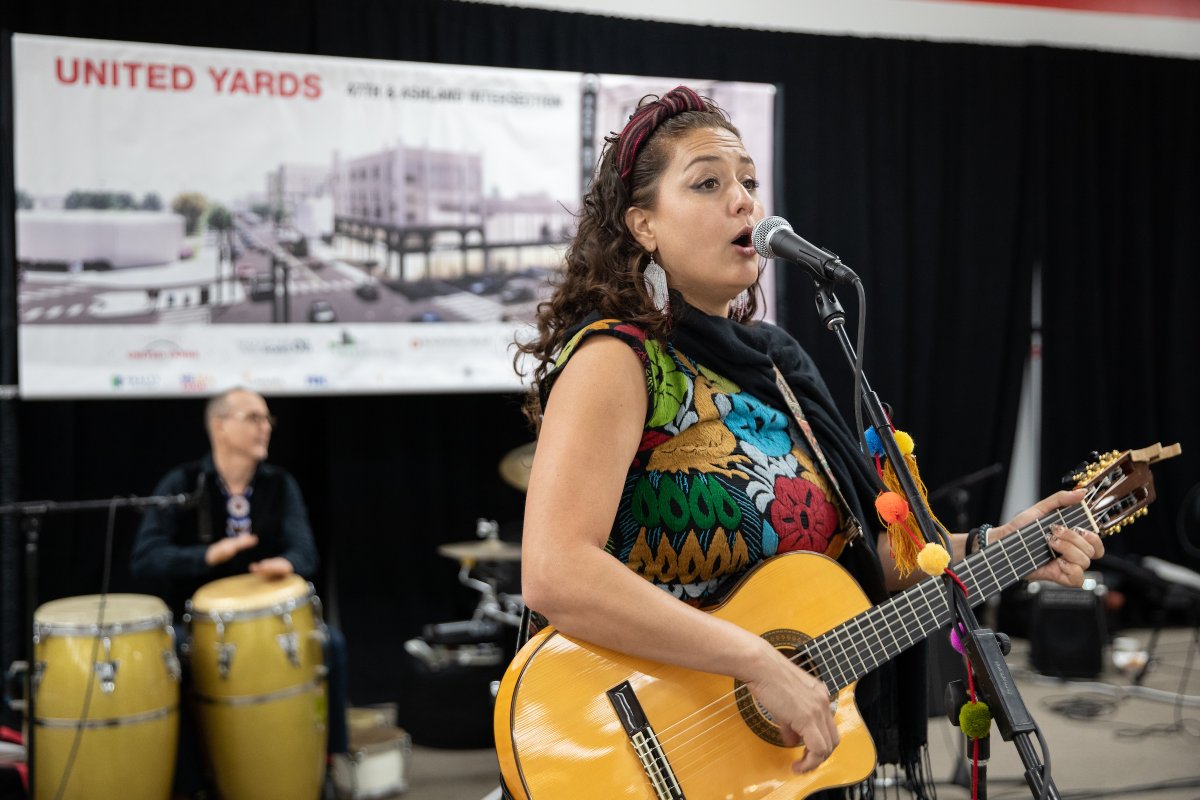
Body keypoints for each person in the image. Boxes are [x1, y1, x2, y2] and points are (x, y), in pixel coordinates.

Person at [508, 87, 1105, 798]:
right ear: (644, 225)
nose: (744, 202)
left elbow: (866, 559)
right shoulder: (618, 359)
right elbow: (556, 572)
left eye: (749, 182)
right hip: (638, 743)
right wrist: (758, 661)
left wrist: (1005, 544)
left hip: (776, 762)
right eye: (708, 183)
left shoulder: (778, 368)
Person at [131, 387, 348, 799]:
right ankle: (193, 782)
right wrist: (206, 556)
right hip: (198, 625)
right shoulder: (183, 484)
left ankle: (326, 761)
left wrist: (287, 564)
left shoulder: (279, 485)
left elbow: (305, 551)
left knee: (330, 643)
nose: (265, 427)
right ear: (220, 427)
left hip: (271, 621)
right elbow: (145, 559)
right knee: (170, 655)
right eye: (253, 418)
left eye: (268, 419)